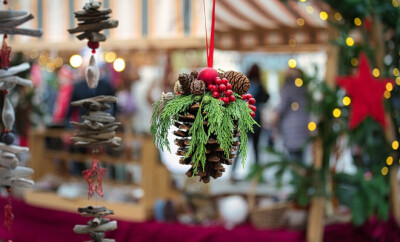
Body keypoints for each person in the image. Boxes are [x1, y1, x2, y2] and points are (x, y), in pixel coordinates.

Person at [231, 64, 269, 180]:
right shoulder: (259, 86)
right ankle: (257, 175)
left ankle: (232, 174)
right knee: (256, 149)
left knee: (240, 148)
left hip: (243, 122)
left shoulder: (244, 86)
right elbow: (267, 98)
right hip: (256, 122)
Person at [274, 68, 310, 162]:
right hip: (304, 125)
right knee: (300, 156)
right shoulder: (305, 88)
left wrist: (274, 121)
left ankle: (297, 175)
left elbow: (281, 108)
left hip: (291, 126)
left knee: (293, 158)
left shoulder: (288, 88)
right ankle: (300, 174)